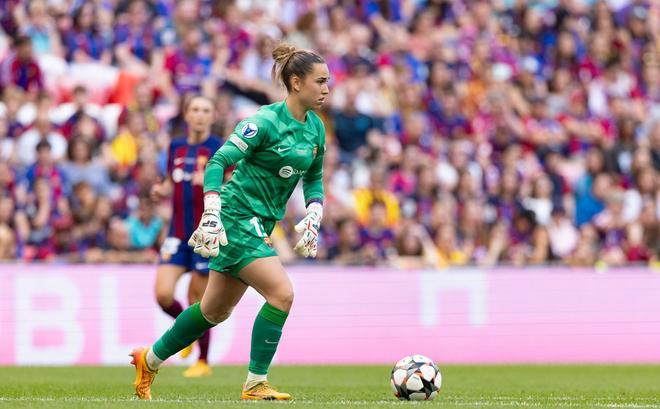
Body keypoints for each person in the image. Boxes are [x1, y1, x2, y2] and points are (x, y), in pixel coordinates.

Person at [130, 42, 329, 401]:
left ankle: (150, 358)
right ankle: (255, 381)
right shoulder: (263, 122)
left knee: (213, 310)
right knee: (282, 294)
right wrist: (211, 209)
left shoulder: (315, 128)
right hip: (237, 218)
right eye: (320, 81)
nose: (327, 89)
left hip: (262, 223)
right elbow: (218, 162)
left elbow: (314, 176)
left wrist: (315, 209)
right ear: (296, 83)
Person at [148, 95, 223, 378]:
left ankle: (203, 361)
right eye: (195, 109)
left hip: (205, 234)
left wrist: (213, 183)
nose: (200, 115)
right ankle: (186, 333)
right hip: (177, 233)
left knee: (197, 301)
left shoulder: (219, 148)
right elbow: (170, 181)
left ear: (212, 116)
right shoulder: (176, 146)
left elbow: (231, 185)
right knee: (163, 294)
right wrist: (162, 190)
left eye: (206, 110)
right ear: (187, 114)